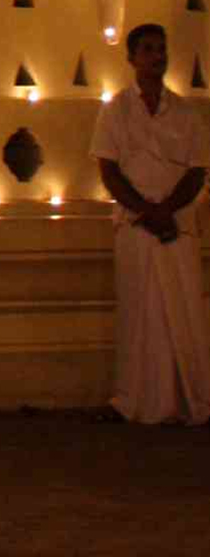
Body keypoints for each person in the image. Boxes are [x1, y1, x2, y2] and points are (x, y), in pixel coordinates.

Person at [91, 23, 210, 424]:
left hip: (178, 226)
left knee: (185, 313)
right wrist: (146, 211)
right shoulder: (115, 110)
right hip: (137, 226)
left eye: (161, 48)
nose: (157, 56)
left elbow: (197, 171)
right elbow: (108, 170)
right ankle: (135, 401)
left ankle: (192, 399)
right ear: (132, 57)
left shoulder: (186, 113)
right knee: (139, 315)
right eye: (148, 49)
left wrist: (167, 212)